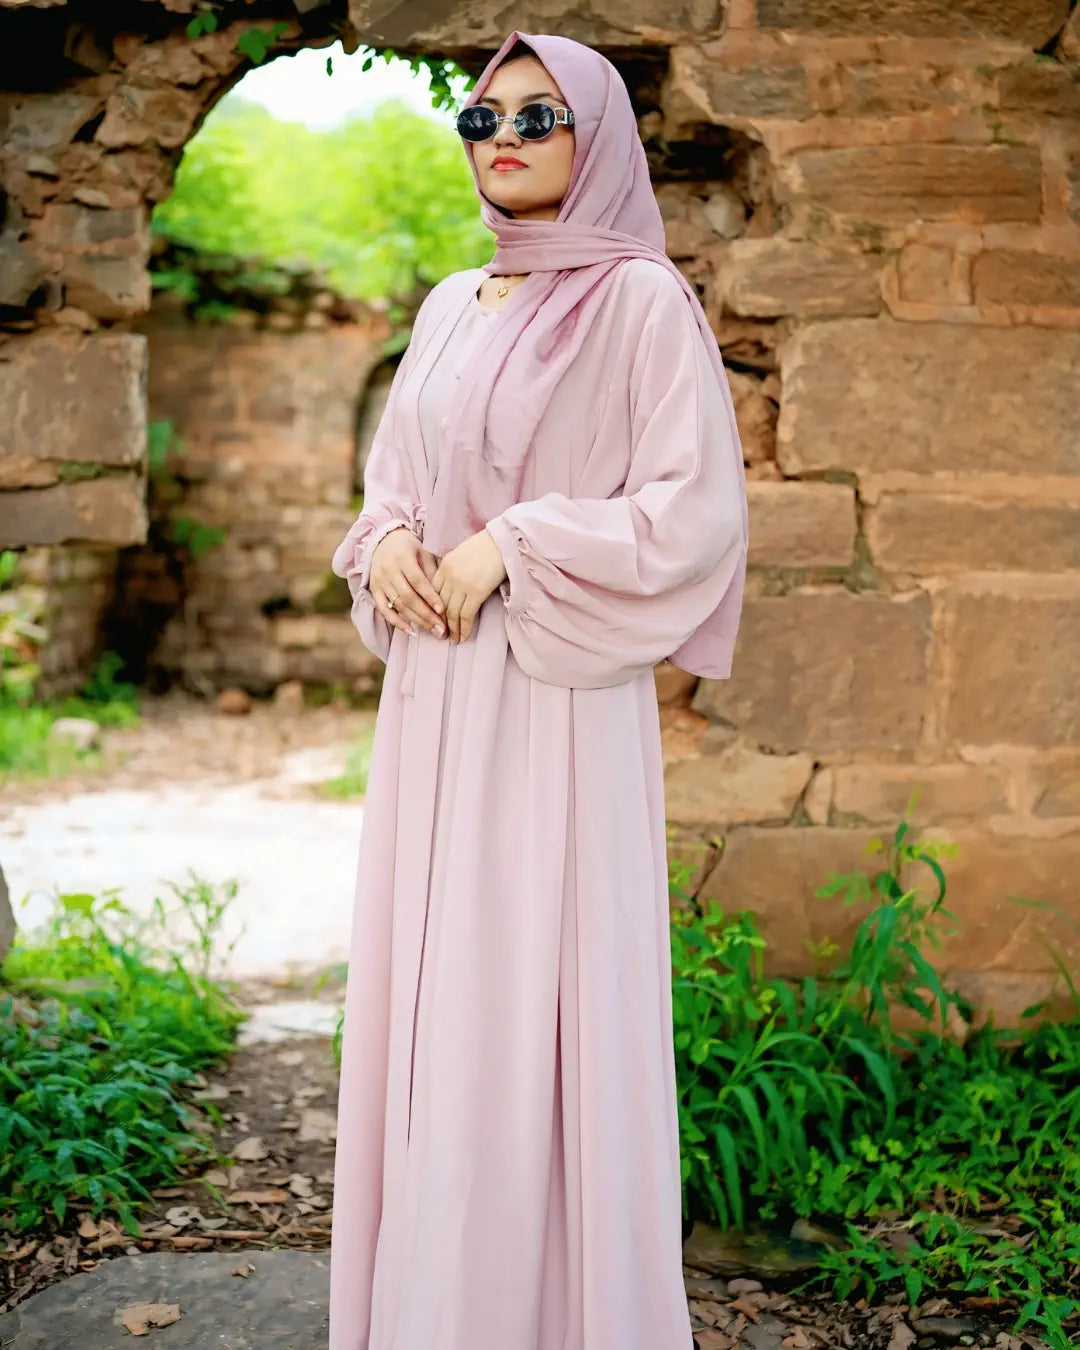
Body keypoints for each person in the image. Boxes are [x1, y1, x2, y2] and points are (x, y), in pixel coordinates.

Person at [327, 29, 748, 1350]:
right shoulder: (452, 304)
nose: (500, 137)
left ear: (598, 135)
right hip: (437, 711)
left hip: (555, 713)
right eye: (480, 117)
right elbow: (391, 485)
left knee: (534, 1003)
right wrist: (387, 543)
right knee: (438, 1012)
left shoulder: (640, 302)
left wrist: (516, 542)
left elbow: (692, 516)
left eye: (536, 115)